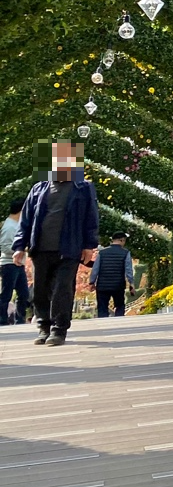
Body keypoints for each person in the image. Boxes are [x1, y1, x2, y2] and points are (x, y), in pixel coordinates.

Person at [12, 140, 99, 346]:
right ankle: (43, 327)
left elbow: (91, 218)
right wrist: (19, 247)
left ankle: (58, 330)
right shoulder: (39, 188)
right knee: (40, 290)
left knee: (62, 288)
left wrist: (89, 246)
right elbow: (26, 220)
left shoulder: (83, 188)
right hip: (40, 248)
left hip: (69, 248)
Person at [90, 232, 136, 317]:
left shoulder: (102, 253)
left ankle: (103, 326)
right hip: (118, 285)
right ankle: (118, 326)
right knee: (120, 306)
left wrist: (92, 282)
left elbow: (95, 269)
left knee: (102, 308)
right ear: (122, 240)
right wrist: (131, 283)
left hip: (102, 285)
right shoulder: (125, 253)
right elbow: (128, 270)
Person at [0, 199, 30, 324]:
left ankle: (20, 319)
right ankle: (2, 320)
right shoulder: (9, 226)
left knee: (24, 294)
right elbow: (5, 246)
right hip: (8, 264)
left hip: (17, 264)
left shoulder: (16, 225)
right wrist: (20, 250)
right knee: (6, 294)